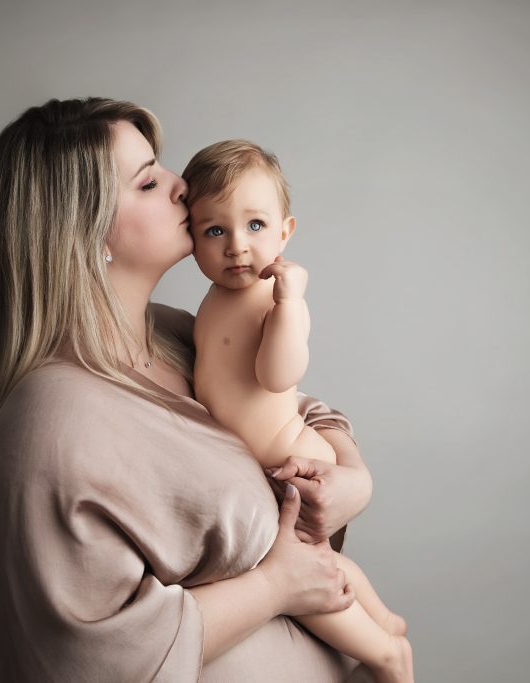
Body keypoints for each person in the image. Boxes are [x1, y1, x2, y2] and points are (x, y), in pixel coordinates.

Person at [0, 97, 414, 682]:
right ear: (86, 229)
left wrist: (352, 479)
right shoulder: (52, 415)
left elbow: (295, 407)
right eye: (149, 180)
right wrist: (274, 585)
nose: (182, 186)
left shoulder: (173, 333)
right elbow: (80, 653)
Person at [182, 140, 410, 682]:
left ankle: (386, 655)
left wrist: (289, 305)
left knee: (296, 576)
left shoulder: (275, 300)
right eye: (215, 231)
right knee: (317, 563)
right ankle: (386, 620)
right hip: (263, 465)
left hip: (291, 462)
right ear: (191, 239)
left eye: (256, 226)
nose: (237, 246)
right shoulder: (213, 299)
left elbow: (279, 376)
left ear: (285, 232)